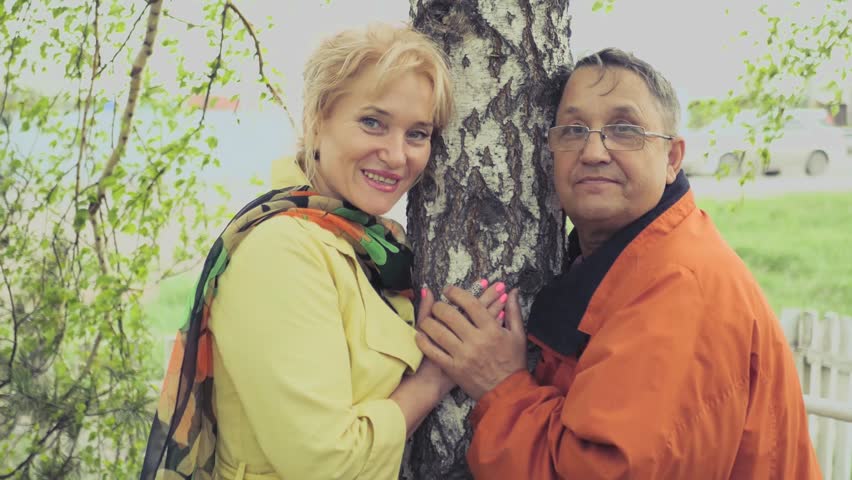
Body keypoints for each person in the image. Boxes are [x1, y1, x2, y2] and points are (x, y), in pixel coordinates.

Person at [416, 48, 821, 479]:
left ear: (672, 158)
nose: (592, 151)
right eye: (573, 129)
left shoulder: (680, 287)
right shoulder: (625, 258)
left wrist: (501, 387)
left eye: (625, 129)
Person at [139, 24, 507, 480]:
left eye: (417, 134)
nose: (396, 155)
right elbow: (328, 466)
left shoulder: (371, 243)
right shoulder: (283, 251)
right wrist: (434, 377)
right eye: (373, 122)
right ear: (317, 120)